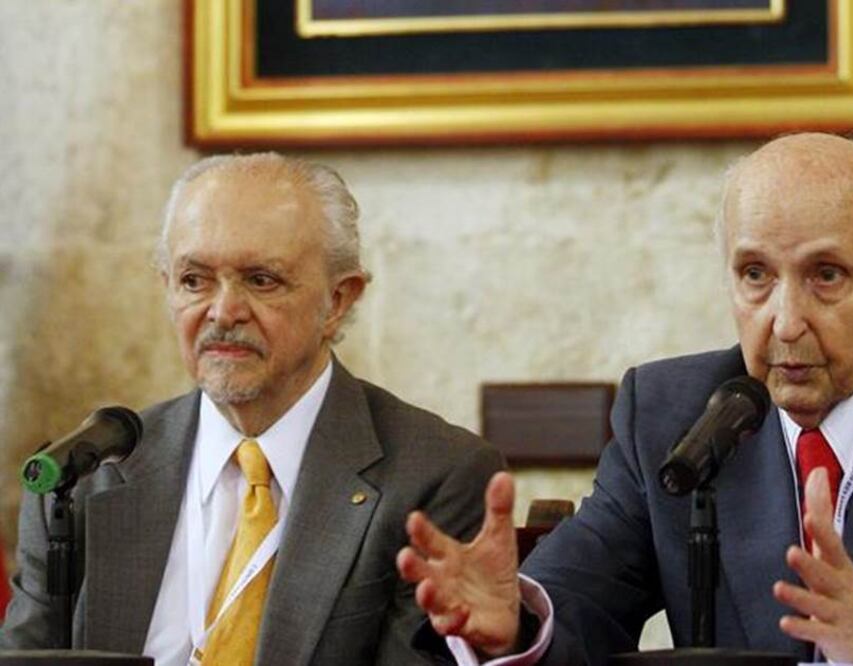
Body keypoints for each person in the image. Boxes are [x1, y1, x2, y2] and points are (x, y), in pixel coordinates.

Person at [398, 133, 853, 664]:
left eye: (825, 275)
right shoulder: (671, 414)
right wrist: (516, 624)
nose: (785, 322)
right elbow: (579, 596)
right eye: (755, 274)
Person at [0, 153, 504, 665]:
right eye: (194, 280)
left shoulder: (432, 477)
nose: (223, 312)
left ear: (337, 301)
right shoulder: (85, 480)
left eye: (262, 280)